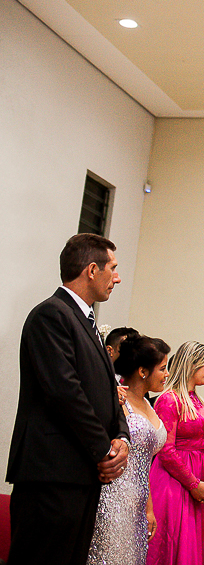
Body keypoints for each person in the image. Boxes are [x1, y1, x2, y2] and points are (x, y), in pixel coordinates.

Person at [7, 234, 131, 565]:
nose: (117, 278)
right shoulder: (51, 315)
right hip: (52, 473)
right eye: (113, 268)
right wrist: (104, 450)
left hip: (81, 473)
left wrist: (120, 435)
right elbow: (64, 392)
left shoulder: (88, 323)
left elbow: (109, 389)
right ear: (92, 270)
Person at [87, 335, 171, 565]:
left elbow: (144, 466)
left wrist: (149, 508)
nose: (167, 375)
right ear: (143, 371)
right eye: (163, 368)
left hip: (138, 502)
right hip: (113, 497)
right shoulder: (117, 400)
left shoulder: (148, 404)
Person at [147, 341, 204, 565]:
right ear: (191, 365)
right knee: (173, 544)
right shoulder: (169, 400)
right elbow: (166, 451)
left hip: (196, 480)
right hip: (173, 481)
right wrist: (193, 483)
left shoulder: (197, 400)